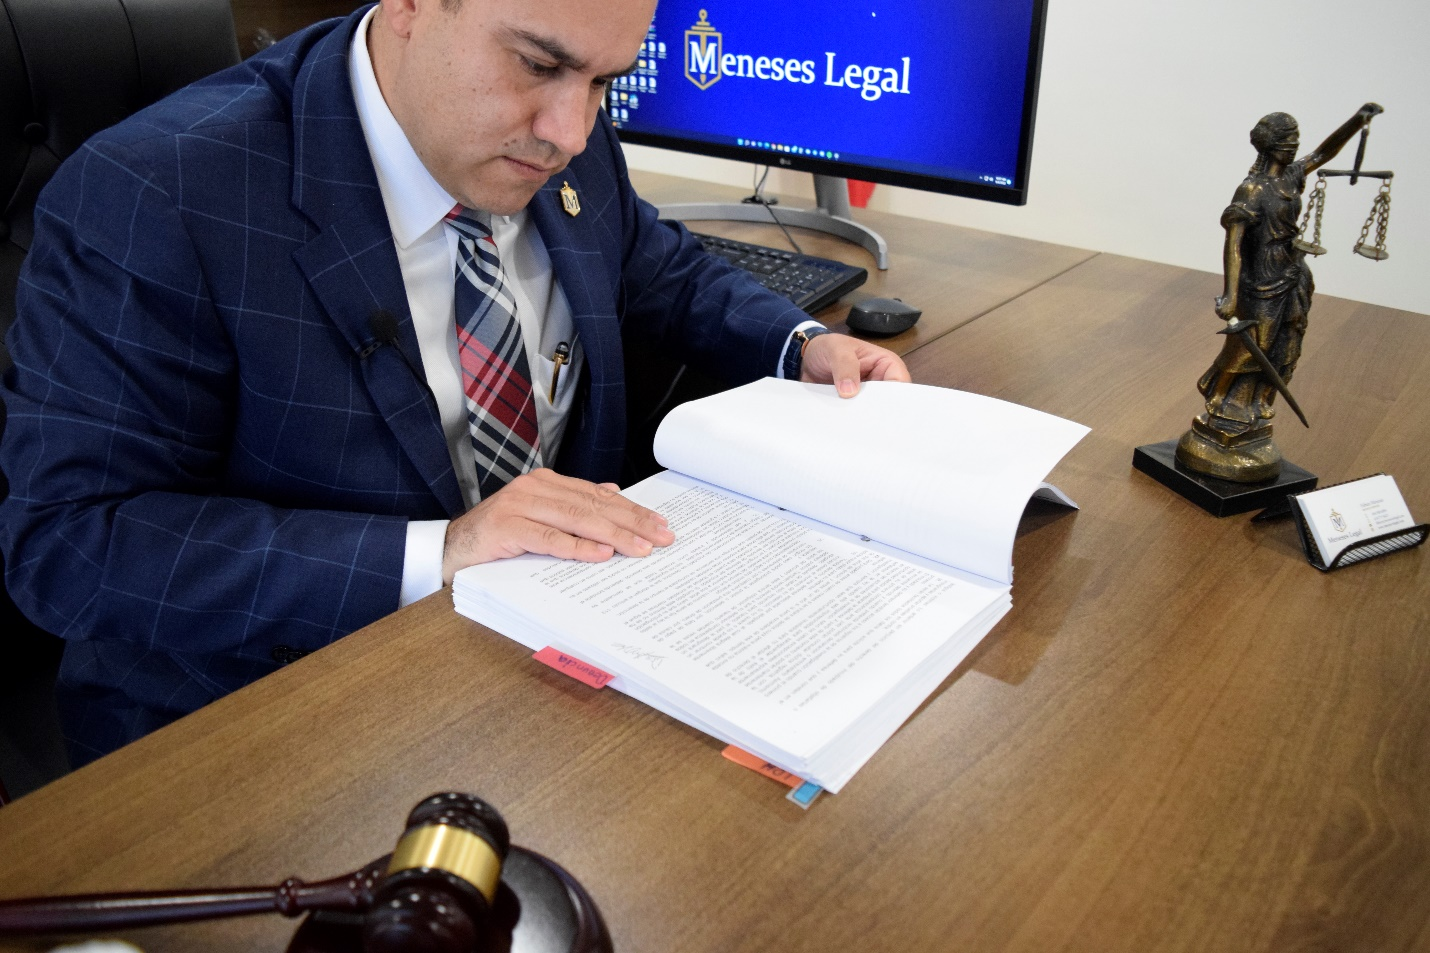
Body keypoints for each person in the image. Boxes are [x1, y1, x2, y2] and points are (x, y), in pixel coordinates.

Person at [0, 0, 910, 763]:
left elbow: (654, 263)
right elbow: (72, 544)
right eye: (537, 65)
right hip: (265, 720)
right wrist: (442, 553)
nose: (571, 132)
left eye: (604, 82)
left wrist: (798, 344)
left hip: (552, 664)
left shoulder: (563, 132)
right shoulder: (153, 193)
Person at [1176, 103, 1381, 482]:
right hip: (1259, 281)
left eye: (1295, 142)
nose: (1294, 148)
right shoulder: (1252, 189)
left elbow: (1324, 152)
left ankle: (1257, 404)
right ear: (1268, 146)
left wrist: (1357, 120)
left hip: (1292, 274)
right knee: (1249, 345)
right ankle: (1219, 399)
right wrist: (1230, 295)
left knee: (1286, 344)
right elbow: (1233, 244)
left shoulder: (1292, 176)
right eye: (1287, 143)